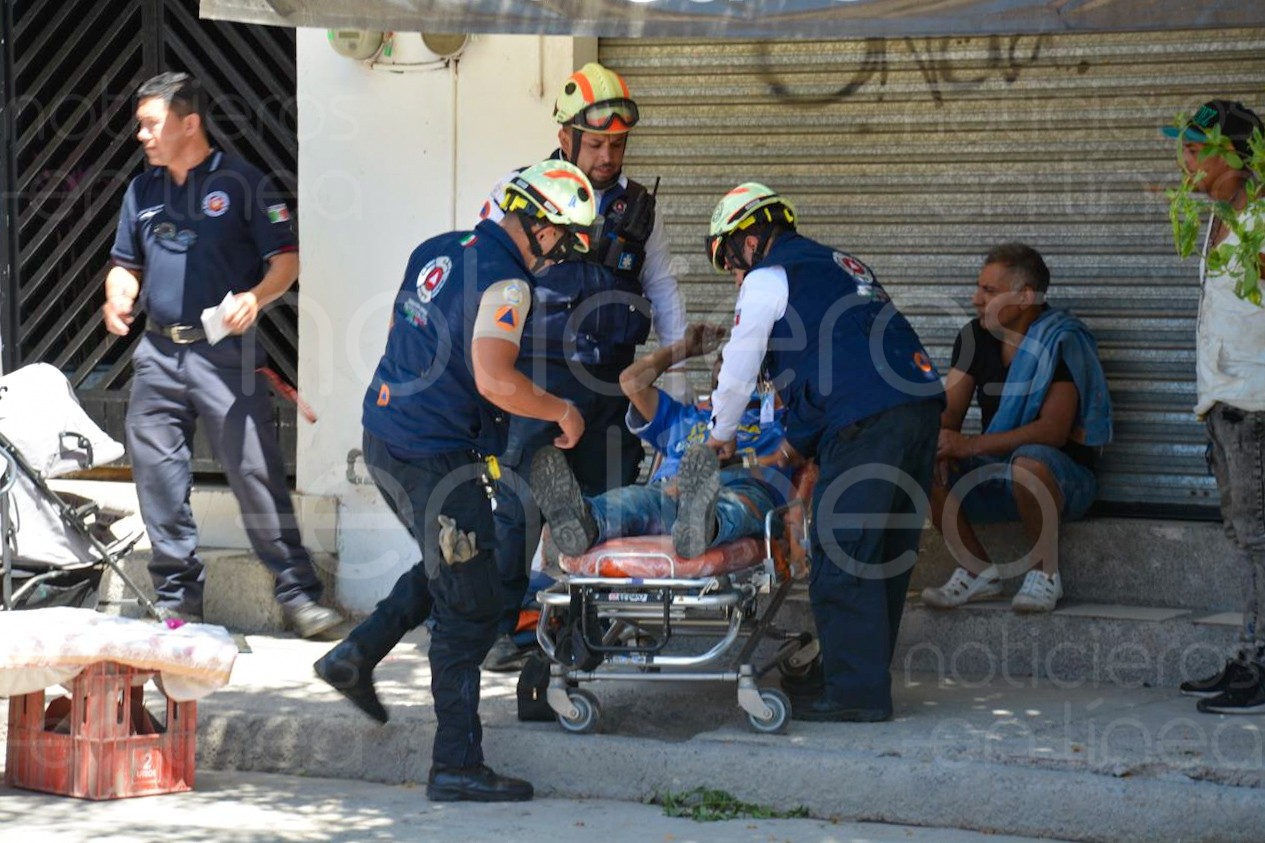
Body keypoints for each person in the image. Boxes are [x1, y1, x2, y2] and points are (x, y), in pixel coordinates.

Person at [314, 160, 598, 802]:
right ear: (537, 225)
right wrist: (561, 409)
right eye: (565, 236)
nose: (564, 252)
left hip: (386, 433)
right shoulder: (509, 285)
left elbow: (399, 332)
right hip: (433, 454)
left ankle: (354, 655)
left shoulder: (437, 249)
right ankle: (456, 765)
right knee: (469, 606)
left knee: (461, 563)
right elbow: (496, 377)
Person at [101, 72, 344, 637]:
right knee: (158, 481)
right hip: (158, 355)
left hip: (224, 356)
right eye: (140, 125)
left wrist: (255, 298)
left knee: (255, 472)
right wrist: (119, 292)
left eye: (151, 124)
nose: (141, 136)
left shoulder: (245, 184)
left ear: (190, 123)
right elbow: (125, 262)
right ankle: (177, 600)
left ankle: (299, 595)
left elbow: (286, 260)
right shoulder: (142, 191)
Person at [475, 63, 690, 671]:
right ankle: (507, 630)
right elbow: (483, 278)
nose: (607, 156)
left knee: (610, 507)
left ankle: (594, 628)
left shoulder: (641, 210)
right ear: (565, 136)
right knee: (521, 507)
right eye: (596, 143)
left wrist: (677, 393)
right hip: (534, 382)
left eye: (617, 145)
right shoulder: (517, 193)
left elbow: (666, 293)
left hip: (613, 387)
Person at [703, 182, 943, 723]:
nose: (734, 277)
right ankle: (854, 678)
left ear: (748, 240)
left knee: (842, 552)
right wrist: (792, 445)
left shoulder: (769, 277)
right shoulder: (839, 264)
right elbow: (835, 363)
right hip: (919, 405)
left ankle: (855, 696)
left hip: (868, 416)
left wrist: (721, 434)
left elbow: (740, 366)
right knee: (880, 552)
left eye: (729, 262)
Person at [920, 243, 1112, 614]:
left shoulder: (1061, 340)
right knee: (923, 455)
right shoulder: (975, 337)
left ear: (1025, 296)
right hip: (996, 472)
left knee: (1028, 463)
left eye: (989, 291)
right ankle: (977, 571)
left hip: (1061, 481)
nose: (976, 299)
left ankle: (1046, 575)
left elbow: (1053, 432)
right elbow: (950, 412)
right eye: (978, 288)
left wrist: (969, 445)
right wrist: (938, 443)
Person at [1162, 100, 1265, 715]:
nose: (1187, 160)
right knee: (1245, 539)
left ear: (1233, 153)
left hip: (1257, 408)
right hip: (1225, 407)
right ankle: (1251, 656)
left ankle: (1261, 666)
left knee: (1259, 540)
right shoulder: (1218, 221)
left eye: (1198, 148)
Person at [531, 323, 796, 560]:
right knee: (632, 501)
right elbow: (631, 381)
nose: (725, 366)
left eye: (739, 362)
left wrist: (738, 462)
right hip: (668, 492)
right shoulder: (686, 416)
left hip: (743, 487)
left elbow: (793, 459)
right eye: (722, 359)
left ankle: (701, 525)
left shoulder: (782, 420)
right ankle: (583, 522)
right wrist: (682, 350)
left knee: (735, 508)